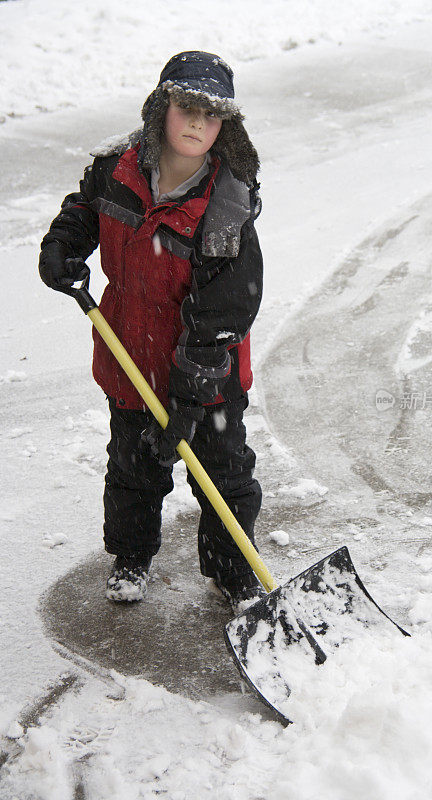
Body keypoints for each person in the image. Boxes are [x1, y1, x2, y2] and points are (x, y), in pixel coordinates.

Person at [38, 51, 265, 611]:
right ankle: (131, 558)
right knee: (134, 469)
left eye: (211, 117)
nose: (196, 124)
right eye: (186, 108)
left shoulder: (226, 206)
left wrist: (190, 396)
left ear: (224, 126)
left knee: (223, 473)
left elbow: (225, 311)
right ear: (161, 107)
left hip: (207, 370)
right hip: (130, 353)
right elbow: (84, 211)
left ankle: (232, 571)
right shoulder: (117, 169)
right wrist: (62, 245)